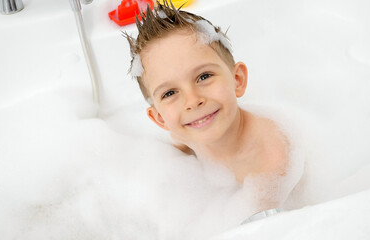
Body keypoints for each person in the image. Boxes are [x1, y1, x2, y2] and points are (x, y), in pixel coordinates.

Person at [125, 0, 299, 215]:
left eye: (204, 76)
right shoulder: (186, 134)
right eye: (170, 93)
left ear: (237, 80)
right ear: (160, 118)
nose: (192, 101)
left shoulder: (273, 157)